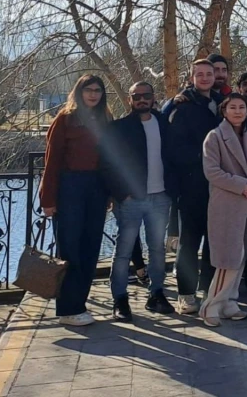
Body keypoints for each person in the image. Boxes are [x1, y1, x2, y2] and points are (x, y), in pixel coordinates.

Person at [100, 82, 176, 322]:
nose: (142, 100)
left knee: (157, 249)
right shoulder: (119, 128)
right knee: (123, 251)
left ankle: (156, 294)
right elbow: (109, 163)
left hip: (160, 196)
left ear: (154, 98)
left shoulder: (165, 124)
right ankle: (120, 299)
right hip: (131, 199)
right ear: (130, 99)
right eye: (137, 96)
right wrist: (122, 192)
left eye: (146, 96)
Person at [39, 75, 111, 326]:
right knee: (70, 248)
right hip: (70, 187)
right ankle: (68, 309)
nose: (93, 94)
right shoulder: (65, 119)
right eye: (88, 90)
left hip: (97, 188)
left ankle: (80, 304)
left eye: (98, 91)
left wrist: (108, 193)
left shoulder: (104, 119)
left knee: (91, 247)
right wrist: (48, 199)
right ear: (78, 92)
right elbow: (52, 161)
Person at [199, 94, 247, 327]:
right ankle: (210, 305)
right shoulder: (215, 137)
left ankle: (229, 301)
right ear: (224, 110)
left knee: (242, 255)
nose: (238, 111)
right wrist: (242, 186)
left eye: (242, 107)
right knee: (228, 258)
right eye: (233, 107)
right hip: (226, 204)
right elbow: (212, 172)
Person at [167, 59, 223, 312]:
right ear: (191, 77)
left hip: (218, 184)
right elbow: (175, 148)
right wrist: (204, 158)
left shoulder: (220, 103)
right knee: (189, 240)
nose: (204, 78)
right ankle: (186, 294)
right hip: (192, 183)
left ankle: (208, 288)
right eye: (199, 74)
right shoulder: (184, 106)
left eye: (208, 74)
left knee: (214, 238)